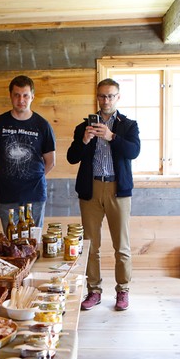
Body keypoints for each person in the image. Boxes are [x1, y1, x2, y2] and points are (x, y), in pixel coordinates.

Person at [67, 78, 140, 312]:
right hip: (91, 189)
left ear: (118, 97)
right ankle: (94, 291)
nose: (106, 100)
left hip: (118, 190)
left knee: (122, 246)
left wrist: (111, 136)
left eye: (110, 95)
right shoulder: (84, 126)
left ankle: (123, 290)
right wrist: (84, 140)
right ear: (97, 97)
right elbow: (71, 157)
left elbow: (134, 151)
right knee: (90, 245)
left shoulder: (128, 125)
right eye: (102, 96)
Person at [0, 75, 56, 230]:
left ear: (32, 97)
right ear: (10, 96)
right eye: (17, 95)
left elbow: (51, 162)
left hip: (35, 195)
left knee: (33, 240)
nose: (21, 100)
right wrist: (8, 178)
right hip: (7, 195)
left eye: (25, 95)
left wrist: (33, 179)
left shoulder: (43, 125)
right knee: (11, 241)